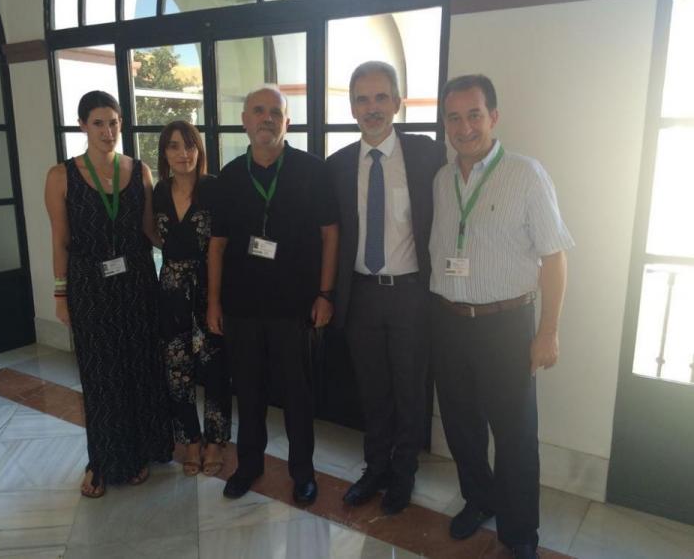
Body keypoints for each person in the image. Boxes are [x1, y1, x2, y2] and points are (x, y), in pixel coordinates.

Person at [429, 74, 574, 559]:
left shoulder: (526, 173)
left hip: (506, 325)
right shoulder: (442, 180)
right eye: (454, 116)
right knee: (462, 427)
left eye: (474, 114)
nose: (464, 126)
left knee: (514, 436)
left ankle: (519, 534)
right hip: (449, 321)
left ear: (493, 116)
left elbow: (554, 257)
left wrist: (548, 331)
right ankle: (479, 499)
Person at [207, 86, 339, 505]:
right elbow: (217, 245)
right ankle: (249, 464)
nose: (266, 118)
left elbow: (330, 234)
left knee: (298, 394)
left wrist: (325, 293)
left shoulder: (312, 171)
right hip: (242, 306)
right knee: (248, 390)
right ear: (244, 120)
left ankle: (303, 472)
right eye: (258, 111)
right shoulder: (228, 176)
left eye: (275, 112)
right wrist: (213, 302)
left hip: (294, 307)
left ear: (288, 122)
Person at [327, 61, 446, 515]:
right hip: (360, 295)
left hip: (411, 295)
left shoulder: (426, 155)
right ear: (353, 106)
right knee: (372, 390)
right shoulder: (337, 166)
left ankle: (403, 475)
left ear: (398, 102)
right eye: (362, 99)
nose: (372, 108)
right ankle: (374, 468)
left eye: (381, 98)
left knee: (409, 390)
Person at [45, 90, 173, 498]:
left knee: (141, 368)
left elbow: (151, 231)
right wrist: (60, 295)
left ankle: (143, 450)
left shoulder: (140, 171)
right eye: (98, 122)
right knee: (101, 375)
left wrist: (192, 243)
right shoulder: (61, 175)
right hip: (90, 285)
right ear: (82, 125)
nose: (108, 130)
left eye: (114, 122)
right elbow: (60, 240)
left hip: (137, 281)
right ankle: (101, 461)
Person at [153, 120, 232, 477]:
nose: (182, 154)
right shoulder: (159, 190)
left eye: (188, 146)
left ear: (199, 149)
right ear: (164, 153)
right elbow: (151, 231)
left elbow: (218, 248)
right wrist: (175, 259)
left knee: (214, 369)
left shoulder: (214, 189)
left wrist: (214, 301)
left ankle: (216, 441)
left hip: (208, 288)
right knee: (177, 372)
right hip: (170, 292)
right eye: (173, 146)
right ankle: (191, 440)